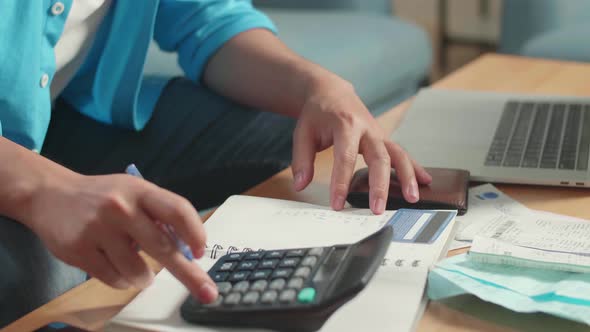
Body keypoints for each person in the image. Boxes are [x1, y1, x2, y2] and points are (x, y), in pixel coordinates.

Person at [0, 0, 432, 326]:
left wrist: (318, 87)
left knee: (293, 138)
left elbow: (206, 17)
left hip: (60, 114)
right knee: (40, 278)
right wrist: (42, 187)